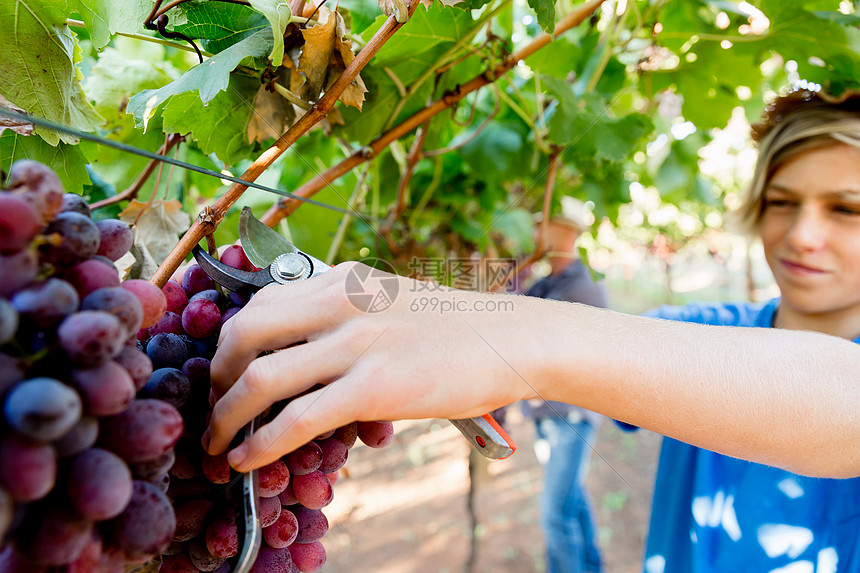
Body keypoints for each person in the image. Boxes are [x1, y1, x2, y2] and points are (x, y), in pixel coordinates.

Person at [202, 90, 860, 570]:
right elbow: (627, 347)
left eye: (847, 209)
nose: (802, 234)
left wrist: (512, 335)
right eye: (780, 202)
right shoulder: (715, 328)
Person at [522, 206, 608, 573]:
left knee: (555, 516)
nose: (537, 232)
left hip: (571, 418)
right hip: (550, 417)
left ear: (568, 234)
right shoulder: (548, 283)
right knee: (573, 501)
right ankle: (592, 566)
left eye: (544, 226)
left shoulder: (582, 287)